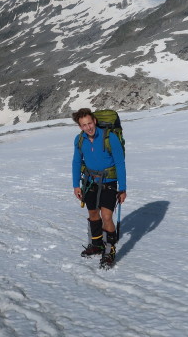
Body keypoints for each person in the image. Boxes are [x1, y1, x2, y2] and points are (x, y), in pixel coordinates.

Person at [72, 108, 126, 268]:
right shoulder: (79, 140)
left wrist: (122, 188)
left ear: (94, 121)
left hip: (109, 182)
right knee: (93, 213)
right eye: (84, 125)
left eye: (89, 123)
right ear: (80, 126)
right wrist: (76, 185)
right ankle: (96, 244)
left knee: (107, 216)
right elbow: (76, 162)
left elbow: (120, 163)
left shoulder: (110, 138)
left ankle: (109, 250)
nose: (88, 127)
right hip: (89, 181)